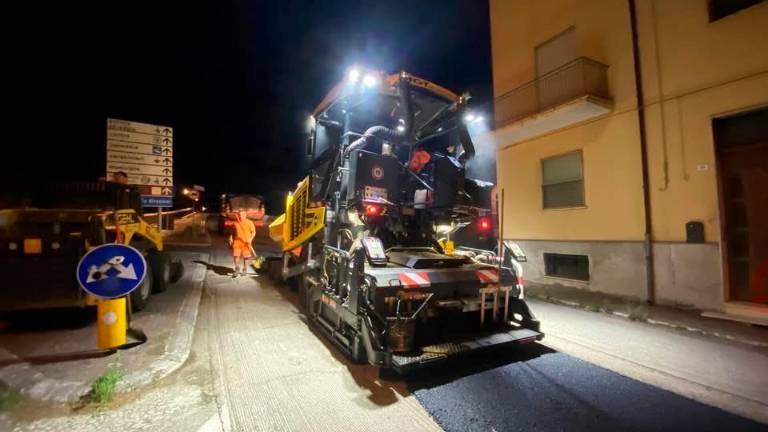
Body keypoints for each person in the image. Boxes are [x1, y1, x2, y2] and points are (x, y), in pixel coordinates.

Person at [229, 210, 256, 277]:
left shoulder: (250, 222)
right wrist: (230, 238)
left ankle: (245, 269)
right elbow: (232, 231)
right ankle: (237, 269)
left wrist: (250, 239)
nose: (241, 216)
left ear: (245, 215)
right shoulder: (235, 223)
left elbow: (253, 232)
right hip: (237, 241)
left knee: (246, 257)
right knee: (236, 255)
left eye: (242, 215)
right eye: (240, 215)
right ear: (238, 215)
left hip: (246, 242)